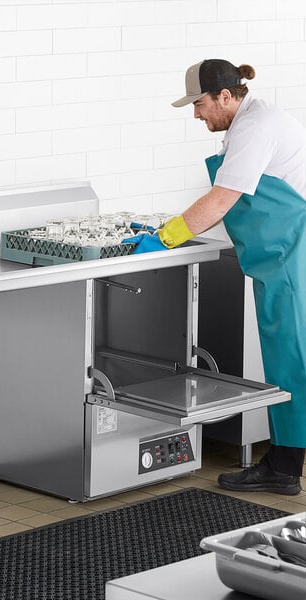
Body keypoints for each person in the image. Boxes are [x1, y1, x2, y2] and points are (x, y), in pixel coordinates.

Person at [128, 59, 306, 495]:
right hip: (279, 256)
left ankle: (284, 470)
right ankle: (283, 463)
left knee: (293, 360)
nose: (196, 114)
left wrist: (165, 238)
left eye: (201, 103)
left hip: (292, 253)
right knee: (289, 358)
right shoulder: (251, 121)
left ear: (226, 96)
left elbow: (221, 200)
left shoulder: (255, 127)